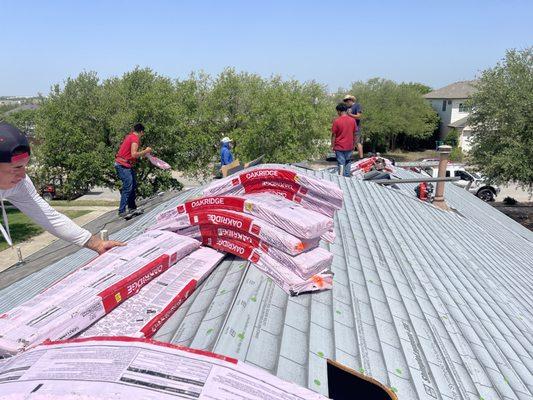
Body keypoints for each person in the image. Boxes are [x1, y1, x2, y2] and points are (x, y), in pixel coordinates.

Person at [0, 122, 124, 254]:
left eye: (25, 166)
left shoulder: (21, 184)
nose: (23, 175)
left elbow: (49, 217)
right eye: (16, 168)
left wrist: (98, 244)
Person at [115, 123, 152, 219]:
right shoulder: (135, 138)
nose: (142, 135)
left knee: (133, 184)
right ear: (141, 132)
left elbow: (131, 154)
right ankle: (122, 211)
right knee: (128, 186)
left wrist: (143, 154)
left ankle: (132, 207)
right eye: (142, 133)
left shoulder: (130, 136)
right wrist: (146, 151)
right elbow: (134, 154)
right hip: (123, 165)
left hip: (125, 164)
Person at [331, 103, 356, 177]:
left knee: (341, 163)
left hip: (339, 146)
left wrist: (332, 145)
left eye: (337, 111)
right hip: (349, 146)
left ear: (339, 111)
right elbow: (355, 134)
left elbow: (334, 135)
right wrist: (354, 144)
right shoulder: (353, 120)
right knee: (348, 162)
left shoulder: (336, 121)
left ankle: (341, 178)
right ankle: (347, 177)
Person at [343, 94, 363, 159]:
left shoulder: (357, 106)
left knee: (357, 142)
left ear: (351, 100)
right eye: (345, 101)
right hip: (349, 128)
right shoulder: (346, 108)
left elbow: (358, 116)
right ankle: (350, 157)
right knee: (350, 143)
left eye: (347, 100)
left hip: (356, 127)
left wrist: (350, 114)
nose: (346, 102)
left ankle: (361, 158)